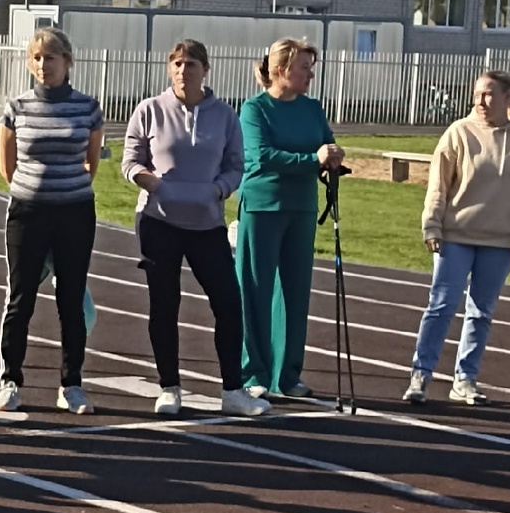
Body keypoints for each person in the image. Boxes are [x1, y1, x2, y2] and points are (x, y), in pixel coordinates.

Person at [123, 39, 263, 417]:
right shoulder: (149, 110)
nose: (183, 71)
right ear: (170, 68)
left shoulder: (225, 115)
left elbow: (236, 165)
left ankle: (233, 390)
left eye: (191, 64)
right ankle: (169, 387)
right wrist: (151, 182)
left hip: (207, 223)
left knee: (228, 303)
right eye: (177, 64)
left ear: (205, 69)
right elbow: (130, 161)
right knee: (164, 304)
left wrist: (218, 190)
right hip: (158, 221)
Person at [403, 71, 510, 406]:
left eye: (489, 94)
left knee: (481, 312)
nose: (481, 101)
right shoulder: (459, 132)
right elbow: (438, 186)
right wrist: (431, 225)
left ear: (508, 97)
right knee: (441, 305)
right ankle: (420, 374)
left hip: (500, 241)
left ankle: (465, 379)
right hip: (456, 235)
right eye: (477, 94)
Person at [0, 28, 103, 415]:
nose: (43, 65)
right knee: (20, 298)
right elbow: (7, 166)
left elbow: (91, 163)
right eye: (37, 58)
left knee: (71, 301)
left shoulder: (87, 107)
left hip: (74, 212)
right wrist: (33, 190)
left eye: (51, 57)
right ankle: (9, 381)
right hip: (28, 212)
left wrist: (65, 188)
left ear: (67, 62)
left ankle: (72, 384)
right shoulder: (16, 107)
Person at [236, 37, 344, 403]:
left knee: (295, 294)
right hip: (262, 206)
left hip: (301, 207)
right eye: (304, 68)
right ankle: (253, 371)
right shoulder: (254, 109)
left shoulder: (312, 108)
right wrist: (313, 160)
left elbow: (324, 143)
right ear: (281, 70)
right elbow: (261, 156)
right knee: (255, 291)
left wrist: (333, 157)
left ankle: (287, 373)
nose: (310, 75)